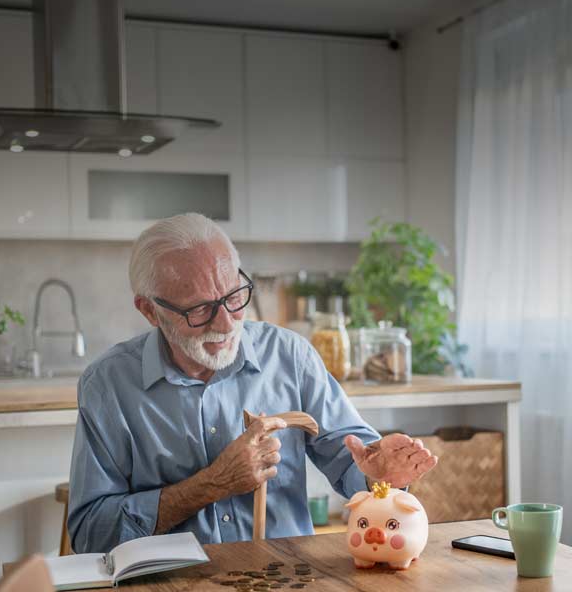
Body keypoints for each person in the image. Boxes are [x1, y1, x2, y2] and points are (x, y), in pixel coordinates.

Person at [67, 213, 438, 553]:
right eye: (199, 309)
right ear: (150, 310)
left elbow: (352, 465)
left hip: (286, 577)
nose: (227, 324)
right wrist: (211, 484)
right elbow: (91, 535)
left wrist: (379, 475)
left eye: (233, 297)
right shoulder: (108, 385)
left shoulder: (290, 355)